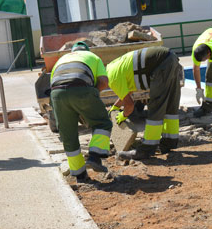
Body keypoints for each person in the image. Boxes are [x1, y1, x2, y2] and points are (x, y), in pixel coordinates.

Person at [106, 46, 183, 160]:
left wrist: (123, 115)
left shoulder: (112, 79)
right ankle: (169, 142)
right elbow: (128, 92)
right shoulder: (112, 67)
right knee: (170, 105)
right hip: (169, 58)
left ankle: (146, 149)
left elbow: (130, 105)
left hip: (162, 64)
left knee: (156, 105)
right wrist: (115, 107)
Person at [50, 42, 112, 182]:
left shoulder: (61, 59)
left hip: (57, 94)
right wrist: (92, 95)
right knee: (103, 123)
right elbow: (103, 81)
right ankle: (94, 157)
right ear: (86, 50)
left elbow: (54, 84)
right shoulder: (93, 56)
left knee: (68, 136)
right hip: (82, 88)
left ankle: (80, 175)